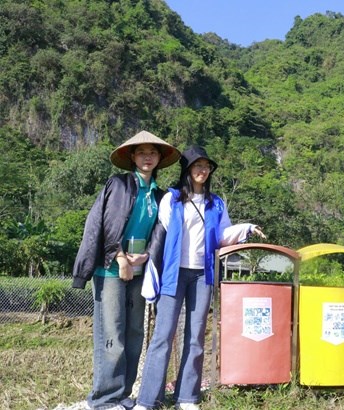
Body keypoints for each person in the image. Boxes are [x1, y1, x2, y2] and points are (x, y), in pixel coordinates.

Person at [135, 145, 266, 410]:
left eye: (206, 166)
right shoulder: (171, 199)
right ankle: (148, 400)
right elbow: (165, 232)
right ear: (187, 169)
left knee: (195, 337)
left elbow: (223, 235)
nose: (202, 170)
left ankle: (187, 397)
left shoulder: (216, 202)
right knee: (163, 335)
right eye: (197, 165)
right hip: (174, 272)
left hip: (202, 274)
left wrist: (247, 228)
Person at [72, 130, 181, 410]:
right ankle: (104, 398)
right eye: (142, 152)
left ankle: (122, 394)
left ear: (159, 158)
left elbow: (160, 232)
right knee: (113, 334)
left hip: (140, 270)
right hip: (111, 269)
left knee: (134, 333)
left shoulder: (159, 195)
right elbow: (107, 223)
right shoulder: (119, 185)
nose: (148, 157)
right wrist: (119, 257)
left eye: (153, 152)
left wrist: (146, 257)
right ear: (132, 156)